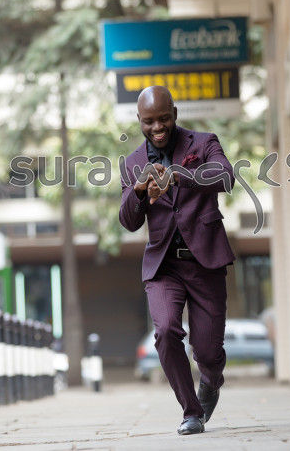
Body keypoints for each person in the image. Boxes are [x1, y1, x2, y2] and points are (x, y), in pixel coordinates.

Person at [119, 86, 235, 435]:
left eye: (163, 118)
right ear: (139, 120)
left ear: (175, 113)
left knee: (207, 351)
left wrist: (178, 175)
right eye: (149, 121)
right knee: (166, 331)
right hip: (164, 265)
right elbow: (128, 221)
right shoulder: (133, 163)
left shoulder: (204, 143)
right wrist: (139, 190)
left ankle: (211, 381)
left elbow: (225, 176)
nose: (157, 127)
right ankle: (191, 411)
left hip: (205, 260)